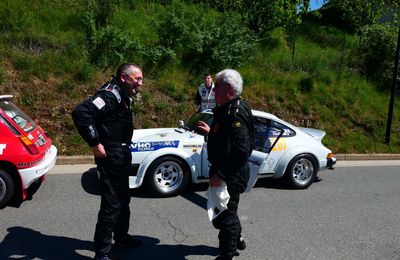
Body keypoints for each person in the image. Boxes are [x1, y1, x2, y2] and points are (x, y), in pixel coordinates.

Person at [71, 63, 143, 260]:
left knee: (123, 199)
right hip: (111, 155)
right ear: (123, 77)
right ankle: (102, 253)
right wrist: (94, 142)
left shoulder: (122, 93)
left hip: (120, 153)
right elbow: (81, 113)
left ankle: (121, 237)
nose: (140, 83)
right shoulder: (111, 94)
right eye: (137, 79)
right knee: (111, 204)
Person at [197, 69, 255, 260]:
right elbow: (228, 139)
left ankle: (227, 254)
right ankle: (237, 238)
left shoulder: (235, 112)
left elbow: (241, 149)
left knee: (225, 216)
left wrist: (220, 174)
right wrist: (210, 131)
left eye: (217, 86)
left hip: (230, 173)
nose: (213, 91)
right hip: (228, 170)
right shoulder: (229, 108)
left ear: (228, 89)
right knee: (227, 211)